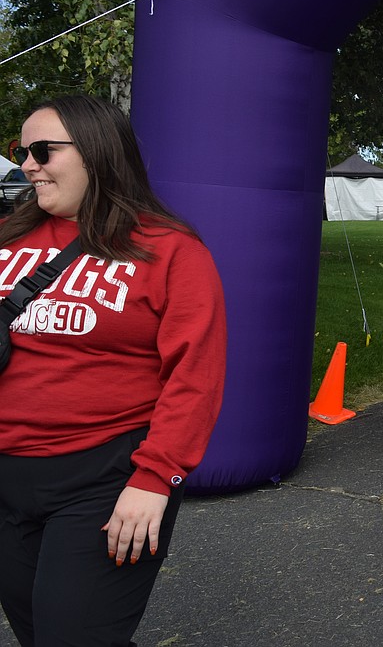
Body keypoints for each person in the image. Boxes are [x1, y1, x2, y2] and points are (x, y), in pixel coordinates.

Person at [0, 94, 228, 646]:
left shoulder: (170, 249)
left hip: (104, 476)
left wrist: (155, 478)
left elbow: (195, 375)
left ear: (97, 153)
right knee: (34, 630)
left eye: (42, 150)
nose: (26, 164)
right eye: (20, 150)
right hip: (7, 475)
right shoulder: (8, 237)